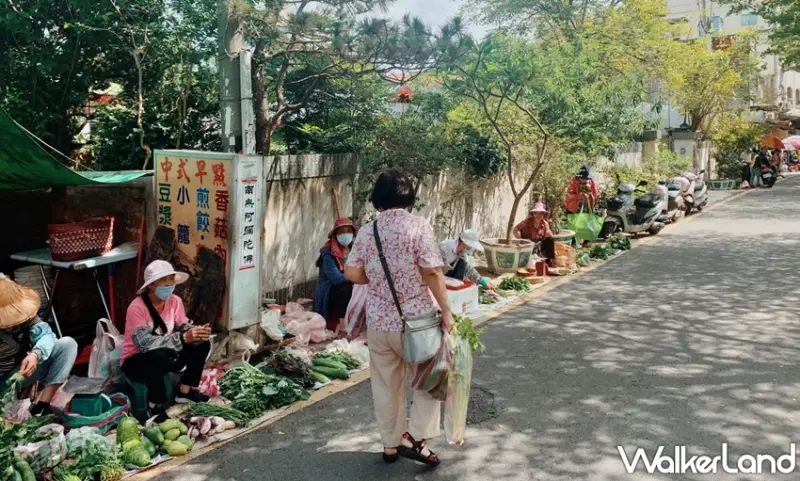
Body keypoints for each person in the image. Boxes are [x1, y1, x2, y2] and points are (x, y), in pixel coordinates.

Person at [344, 170, 453, 467]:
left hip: (379, 324)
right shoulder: (419, 226)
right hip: (417, 323)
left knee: (385, 384)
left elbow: (351, 273)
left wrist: (379, 278)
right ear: (408, 197)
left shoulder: (368, 231)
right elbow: (431, 271)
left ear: (378, 198)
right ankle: (415, 438)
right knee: (430, 379)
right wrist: (446, 310)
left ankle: (390, 445)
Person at [121, 260, 211, 422]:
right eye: (163, 280)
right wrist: (183, 338)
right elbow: (144, 344)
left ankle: (184, 391)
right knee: (157, 355)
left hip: (165, 356)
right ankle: (154, 405)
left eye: (171, 279)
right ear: (151, 285)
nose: (169, 284)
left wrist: (195, 332)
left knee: (202, 343)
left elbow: (182, 325)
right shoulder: (137, 308)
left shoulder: (175, 301)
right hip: (136, 362)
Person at [0, 274, 78, 415]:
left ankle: (42, 405)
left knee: (67, 345)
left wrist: (36, 354)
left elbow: (46, 335)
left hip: (19, 373)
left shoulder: (23, 314)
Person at [314, 218, 357, 333]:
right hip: (331, 289)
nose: (346, 234)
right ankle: (343, 326)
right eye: (341, 231)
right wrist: (357, 277)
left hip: (351, 282)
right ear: (335, 234)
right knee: (345, 289)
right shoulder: (328, 253)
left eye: (348, 231)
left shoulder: (355, 249)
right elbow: (336, 278)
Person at [513, 202, 556, 268]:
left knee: (550, 240)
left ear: (543, 214)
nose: (538, 215)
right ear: (533, 214)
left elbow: (550, 235)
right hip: (528, 243)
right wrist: (520, 240)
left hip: (539, 244)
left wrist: (548, 233)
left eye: (541, 213)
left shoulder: (544, 223)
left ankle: (549, 260)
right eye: (536, 213)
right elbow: (515, 229)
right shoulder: (527, 222)